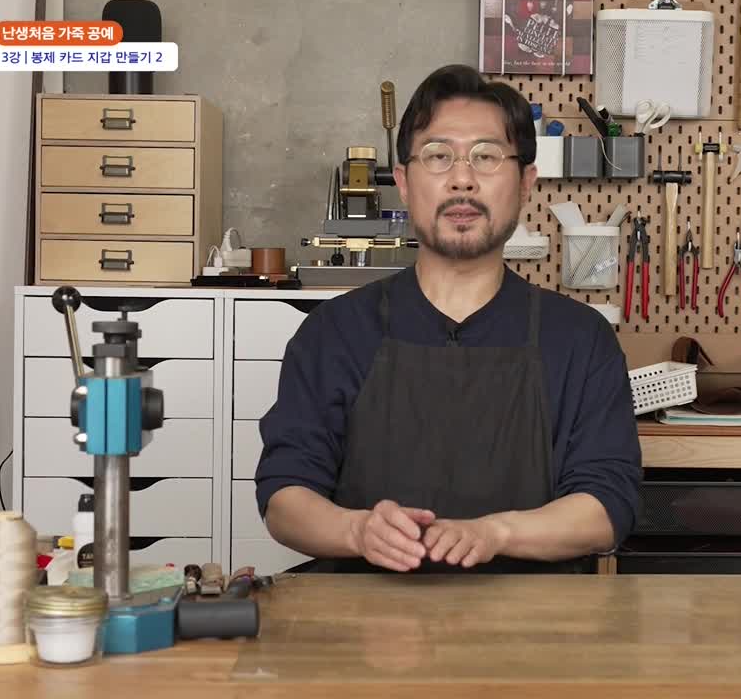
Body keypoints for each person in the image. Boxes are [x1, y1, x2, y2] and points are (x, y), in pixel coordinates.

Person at [254, 64, 641, 573]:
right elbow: (285, 494)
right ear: (404, 182)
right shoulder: (336, 332)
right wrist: (357, 531)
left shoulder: (580, 340)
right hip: (364, 615)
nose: (462, 179)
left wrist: (495, 533)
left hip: (534, 617)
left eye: (487, 156)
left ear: (526, 182)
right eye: (438, 156)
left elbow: (608, 505)